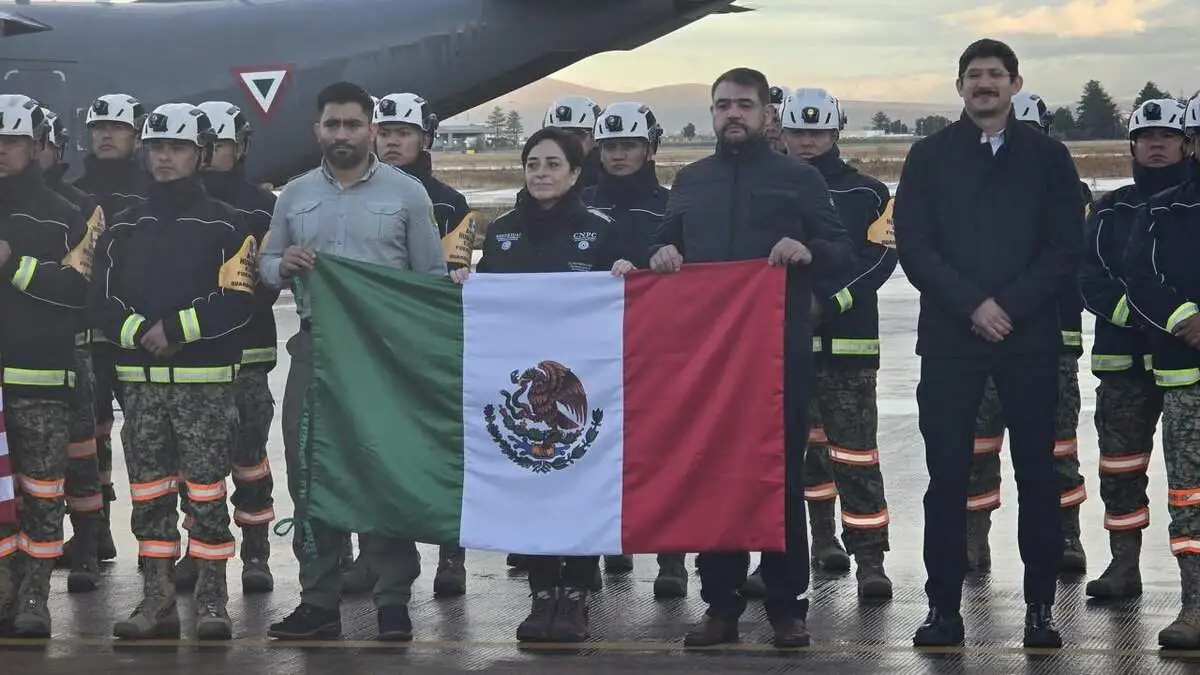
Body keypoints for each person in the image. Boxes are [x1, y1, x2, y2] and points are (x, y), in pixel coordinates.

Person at [646, 67, 853, 648]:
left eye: (743, 104)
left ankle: (787, 607)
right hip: (706, 358)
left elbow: (842, 248)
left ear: (768, 114)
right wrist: (660, 249)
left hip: (775, 353)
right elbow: (661, 240)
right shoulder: (691, 179)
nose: (731, 114)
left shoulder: (799, 178)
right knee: (713, 475)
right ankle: (720, 606)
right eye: (722, 105)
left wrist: (807, 248)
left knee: (778, 476)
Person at [892, 39, 1083, 649]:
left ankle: (1039, 610)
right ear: (959, 87)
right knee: (946, 477)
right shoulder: (928, 157)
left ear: (1015, 83)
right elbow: (915, 244)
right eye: (973, 75)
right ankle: (942, 609)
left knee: (1037, 475)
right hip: (951, 338)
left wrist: (1010, 306)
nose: (984, 85)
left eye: (995, 75)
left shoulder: (1049, 157)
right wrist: (973, 304)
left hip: (1028, 339)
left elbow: (1063, 248)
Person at [260, 81, 446, 642]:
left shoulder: (408, 194)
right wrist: (282, 265)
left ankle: (392, 601)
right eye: (331, 124)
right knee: (309, 472)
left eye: (352, 124)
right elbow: (265, 265)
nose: (342, 134)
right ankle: (318, 600)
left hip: (383, 355)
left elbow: (432, 282)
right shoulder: (292, 196)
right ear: (317, 129)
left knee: (382, 469)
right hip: (316, 350)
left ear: (371, 129)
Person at [450, 125, 621, 643]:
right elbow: (493, 300)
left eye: (552, 164)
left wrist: (623, 275)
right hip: (520, 378)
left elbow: (622, 298)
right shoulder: (500, 230)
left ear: (574, 173)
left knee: (580, 480)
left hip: (586, 381)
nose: (541, 173)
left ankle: (576, 594)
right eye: (533, 164)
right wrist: (467, 283)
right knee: (535, 482)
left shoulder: (601, 228)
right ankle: (543, 591)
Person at [93, 102, 256, 641]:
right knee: (148, 498)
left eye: (178, 148)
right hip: (139, 391)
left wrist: (178, 329)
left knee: (207, 495)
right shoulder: (122, 225)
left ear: (201, 155)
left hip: (203, 389)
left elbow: (238, 299)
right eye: (157, 146)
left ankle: (212, 601)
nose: (165, 157)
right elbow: (100, 300)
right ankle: (156, 598)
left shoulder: (229, 226)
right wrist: (140, 331)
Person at [775, 86, 897, 601]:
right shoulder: (769, 190)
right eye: (798, 132)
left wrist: (830, 303)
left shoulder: (868, 193)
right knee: (792, 459)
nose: (807, 141)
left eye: (817, 132)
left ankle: (870, 559)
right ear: (781, 132)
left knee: (856, 457)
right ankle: (815, 545)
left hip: (847, 348)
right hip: (780, 347)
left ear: (835, 133)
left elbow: (882, 258)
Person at [963, 90, 1092, 575]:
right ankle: (974, 540)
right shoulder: (974, 186)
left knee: (1057, 448)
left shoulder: (1066, 190)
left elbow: (1064, 262)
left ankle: (1067, 536)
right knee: (977, 447)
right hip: (981, 339)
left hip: (1051, 341)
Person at [367, 91, 474, 597]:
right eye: (384, 133)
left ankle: (452, 554)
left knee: (440, 450)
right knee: (381, 454)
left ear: (425, 139)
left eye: (403, 133)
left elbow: (454, 273)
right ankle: (379, 556)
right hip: (371, 346)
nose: (392, 142)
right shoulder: (356, 194)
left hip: (430, 346)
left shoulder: (452, 203)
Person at [1082, 97, 1189, 601]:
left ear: (1185, 143)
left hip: (1187, 359)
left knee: (1191, 474)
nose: (1156, 145)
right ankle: (1123, 563)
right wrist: (1144, 320)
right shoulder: (1110, 210)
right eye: (1146, 138)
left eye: (1166, 137)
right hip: (1122, 362)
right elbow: (1091, 279)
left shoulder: (1189, 207)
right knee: (1120, 465)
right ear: (1132, 145)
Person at [580, 101, 686, 595]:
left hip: (658, 347)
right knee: (596, 446)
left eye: (629, 146)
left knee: (667, 449)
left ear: (650, 149)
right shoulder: (576, 203)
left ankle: (672, 558)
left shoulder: (671, 204)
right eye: (610, 146)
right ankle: (607, 543)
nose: (619, 155)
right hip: (594, 351)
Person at [0, 93, 90, 638]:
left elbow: (81, 292)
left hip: (39, 376)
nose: (0, 151)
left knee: (40, 490)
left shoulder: (65, 216)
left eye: (11, 141)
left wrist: (17, 266)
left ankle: (34, 594)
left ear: (37, 147)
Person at [186, 100, 280, 595]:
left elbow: (266, 283)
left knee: (249, 460)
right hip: (194, 358)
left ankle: (256, 554)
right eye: (205, 145)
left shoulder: (263, 208)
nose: (210, 155)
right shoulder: (180, 207)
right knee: (194, 466)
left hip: (247, 357)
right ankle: (195, 550)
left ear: (241, 146)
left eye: (220, 145)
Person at [1121, 92, 1200, 649]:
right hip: (1186, 376)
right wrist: (1186, 319)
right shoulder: (1162, 212)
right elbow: (1141, 280)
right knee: (1191, 496)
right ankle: (1196, 606)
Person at [72, 92, 151, 564]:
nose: (106, 135)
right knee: (89, 437)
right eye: (99, 127)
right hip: (90, 338)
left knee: (145, 439)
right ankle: (95, 534)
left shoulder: (150, 192)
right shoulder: (77, 193)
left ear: (136, 137)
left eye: (117, 128)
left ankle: (155, 544)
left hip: (138, 335)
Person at [37, 107, 108, 592]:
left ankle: (86, 548)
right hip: (14, 354)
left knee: (80, 456)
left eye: (39, 143)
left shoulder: (81, 207)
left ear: (57, 148)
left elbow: (86, 283)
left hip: (72, 351)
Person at [543, 95, 603, 191]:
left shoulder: (607, 185)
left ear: (594, 138)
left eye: (576, 136)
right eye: (555, 137)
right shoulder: (539, 180)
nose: (566, 143)